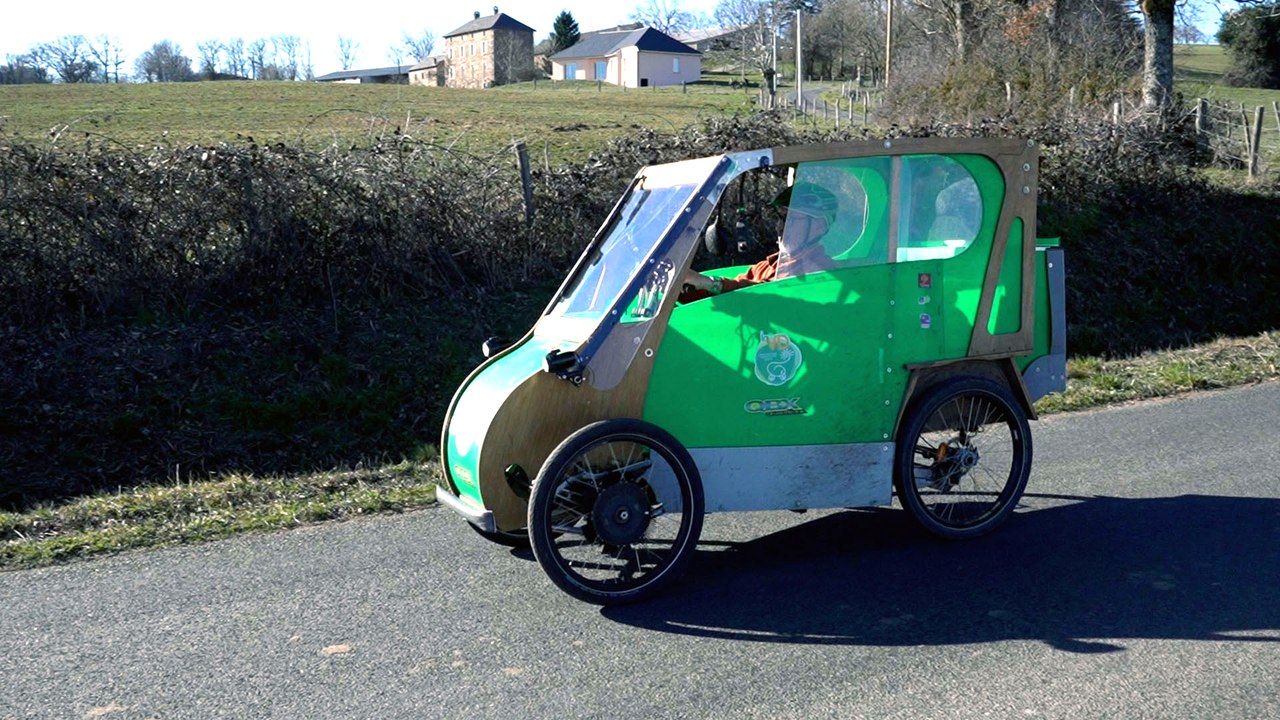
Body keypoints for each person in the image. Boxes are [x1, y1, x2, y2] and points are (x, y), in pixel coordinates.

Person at [681, 181, 839, 302]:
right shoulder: (769, 266)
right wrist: (687, 289)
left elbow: (774, 296)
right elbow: (735, 288)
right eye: (780, 218)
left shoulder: (822, 272)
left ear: (819, 226)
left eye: (790, 219)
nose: (780, 226)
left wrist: (710, 283)